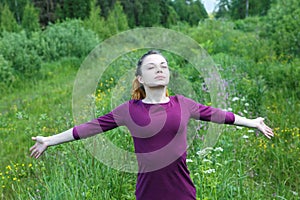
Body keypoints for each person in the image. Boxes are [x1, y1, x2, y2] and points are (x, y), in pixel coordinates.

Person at [30, 50, 274, 200]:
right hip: (147, 194)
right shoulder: (129, 110)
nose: (159, 69)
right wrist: (49, 140)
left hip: (183, 194)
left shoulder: (184, 104)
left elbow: (220, 115)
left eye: (164, 66)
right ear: (140, 78)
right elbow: (88, 128)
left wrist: (252, 122)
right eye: (152, 67)